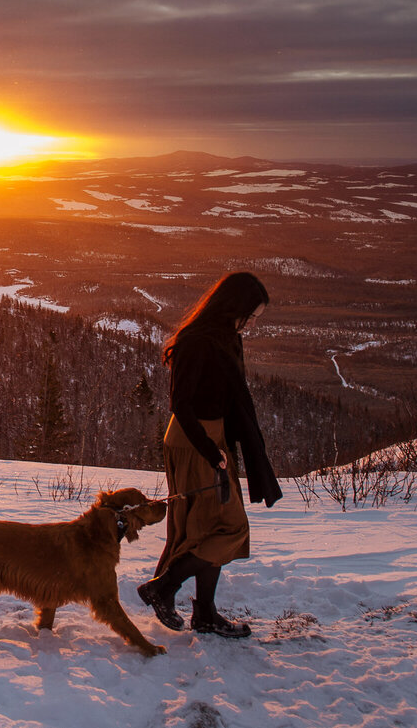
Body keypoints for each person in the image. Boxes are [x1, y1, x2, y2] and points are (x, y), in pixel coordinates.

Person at [136, 271, 282, 638]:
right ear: (234, 305)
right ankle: (164, 586)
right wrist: (211, 451)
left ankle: (204, 613)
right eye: (251, 313)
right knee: (229, 527)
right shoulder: (197, 341)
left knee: (208, 528)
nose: (251, 322)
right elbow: (180, 405)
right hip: (193, 440)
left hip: (211, 438)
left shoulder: (225, 338)